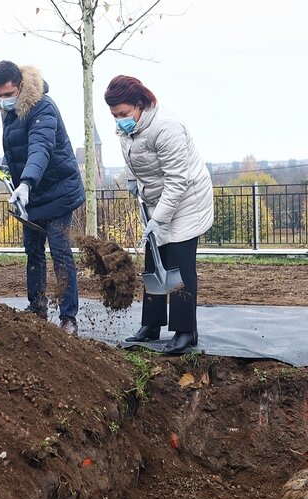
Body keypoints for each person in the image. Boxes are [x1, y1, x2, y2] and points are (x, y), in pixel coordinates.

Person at [104, 75, 214, 354]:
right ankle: (151, 326)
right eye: (115, 115)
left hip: (188, 200)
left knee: (178, 265)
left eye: (124, 114)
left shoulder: (167, 127)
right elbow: (131, 154)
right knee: (154, 264)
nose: (119, 120)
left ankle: (185, 331)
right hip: (157, 199)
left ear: (140, 105)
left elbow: (178, 180)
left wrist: (158, 219)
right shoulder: (127, 128)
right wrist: (131, 179)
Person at [0, 60, 85, 336]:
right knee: (33, 251)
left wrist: (27, 182)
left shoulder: (43, 107)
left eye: (8, 94)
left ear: (20, 86)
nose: (4, 100)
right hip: (31, 197)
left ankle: (69, 318)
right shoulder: (9, 113)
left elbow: (40, 148)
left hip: (57, 191)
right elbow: (15, 146)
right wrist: (8, 167)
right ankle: (37, 309)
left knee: (59, 251)